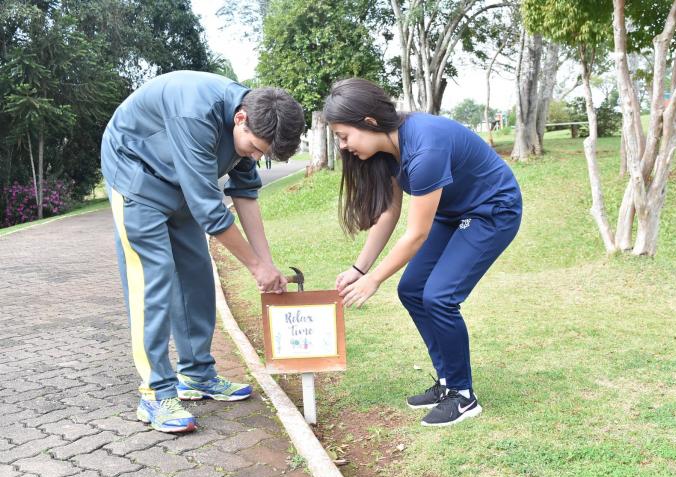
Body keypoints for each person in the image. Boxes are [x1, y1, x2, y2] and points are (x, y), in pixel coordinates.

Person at [101, 70, 304, 433]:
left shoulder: (251, 114)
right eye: (255, 148)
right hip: (136, 176)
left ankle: (196, 375)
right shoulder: (194, 113)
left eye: (263, 153)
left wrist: (266, 263)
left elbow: (245, 193)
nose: (255, 156)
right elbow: (210, 211)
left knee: (196, 275)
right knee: (155, 280)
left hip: (179, 184)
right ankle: (155, 393)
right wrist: (255, 268)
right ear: (240, 118)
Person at [324, 78, 522, 427]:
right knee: (413, 290)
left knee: (440, 296)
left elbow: (416, 235)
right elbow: (389, 213)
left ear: (369, 122)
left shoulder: (424, 149)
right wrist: (359, 268)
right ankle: (448, 382)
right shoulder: (389, 150)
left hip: (492, 211)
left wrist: (373, 281)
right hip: (454, 212)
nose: (343, 146)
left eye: (344, 136)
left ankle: (463, 396)